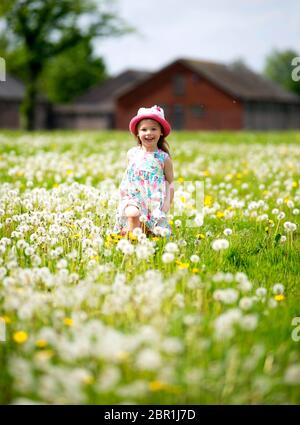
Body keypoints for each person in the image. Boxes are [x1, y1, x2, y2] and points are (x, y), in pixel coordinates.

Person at [113, 105, 174, 237]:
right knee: (133, 214)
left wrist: (167, 204)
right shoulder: (132, 154)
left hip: (154, 201)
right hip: (133, 197)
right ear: (137, 133)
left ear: (161, 132)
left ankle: (136, 241)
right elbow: (128, 177)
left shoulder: (163, 158)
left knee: (150, 233)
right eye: (144, 129)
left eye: (153, 129)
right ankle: (131, 243)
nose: (148, 133)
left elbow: (170, 183)